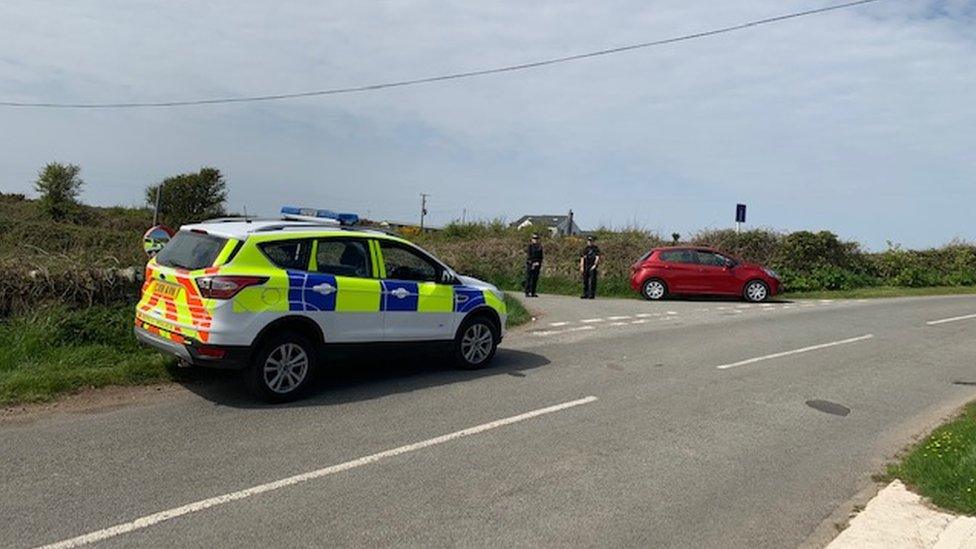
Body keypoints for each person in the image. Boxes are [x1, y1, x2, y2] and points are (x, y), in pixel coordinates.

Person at [524, 233, 543, 297]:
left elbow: (541, 256)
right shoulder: (530, 246)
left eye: (536, 238)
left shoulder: (540, 247)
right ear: (532, 239)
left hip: (537, 265)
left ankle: (533, 292)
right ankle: (527, 292)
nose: (535, 240)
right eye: (534, 238)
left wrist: (539, 263)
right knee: (529, 278)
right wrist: (532, 262)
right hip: (530, 264)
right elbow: (529, 256)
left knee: (535, 279)